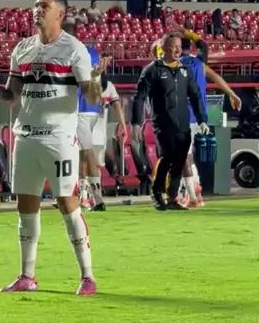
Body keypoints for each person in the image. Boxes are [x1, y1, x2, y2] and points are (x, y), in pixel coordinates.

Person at [0, 0, 104, 296]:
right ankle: (27, 276)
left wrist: (95, 80)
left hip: (58, 138)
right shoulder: (23, 48)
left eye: (44, 6)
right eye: (36, 5)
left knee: (68, 205)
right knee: (26, 207)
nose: (37, 9)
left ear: (60, 14)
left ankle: (87, 276)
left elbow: (92, 97)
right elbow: (10, 96)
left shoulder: (73, 49)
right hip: (26, 137)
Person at [131, 32, 208, 211]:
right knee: (167, 157)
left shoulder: (185, 70)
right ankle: (157, 193)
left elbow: (195, 96)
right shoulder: (152, 70)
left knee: (180, 160)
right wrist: (136, 122)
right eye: (174, 46)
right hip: (163, 124)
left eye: (180, 47)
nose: (178, 50)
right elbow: (139, 97)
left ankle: (172, 198)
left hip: (183, 124)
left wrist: (202, 120)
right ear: (164, 48)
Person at [62, 19, 125, 211]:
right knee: (80, 154)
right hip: (91, 108)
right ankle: (82, 196)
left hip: (79, 108)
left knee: (86, 152)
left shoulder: (69, 53)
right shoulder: (92, 53)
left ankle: (97, 198)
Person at [178, 31, 241, 207]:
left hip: (184, 115)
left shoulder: (176, 64)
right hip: (200, 117)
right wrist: (232, 94)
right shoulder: (199, 64)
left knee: (184, 156)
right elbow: (216, 78)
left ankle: (191, 195)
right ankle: (195, 192)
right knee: (188, 155)